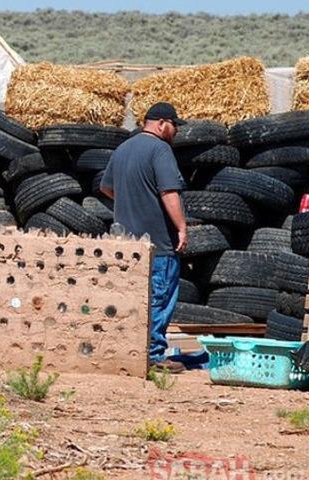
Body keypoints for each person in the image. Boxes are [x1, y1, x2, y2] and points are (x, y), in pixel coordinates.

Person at [100, 102, 188, 373]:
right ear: (161, 124)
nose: (175, 132)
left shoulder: (123, 149)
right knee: (158, 297)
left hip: (127, 245)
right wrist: (182, 227)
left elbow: (106, 188)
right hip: (158, 244)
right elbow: (169, 192)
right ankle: (153, 356)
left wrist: (132, 201)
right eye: (174, 126)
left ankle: (128, 352)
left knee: (131, 298)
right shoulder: (160, 149)